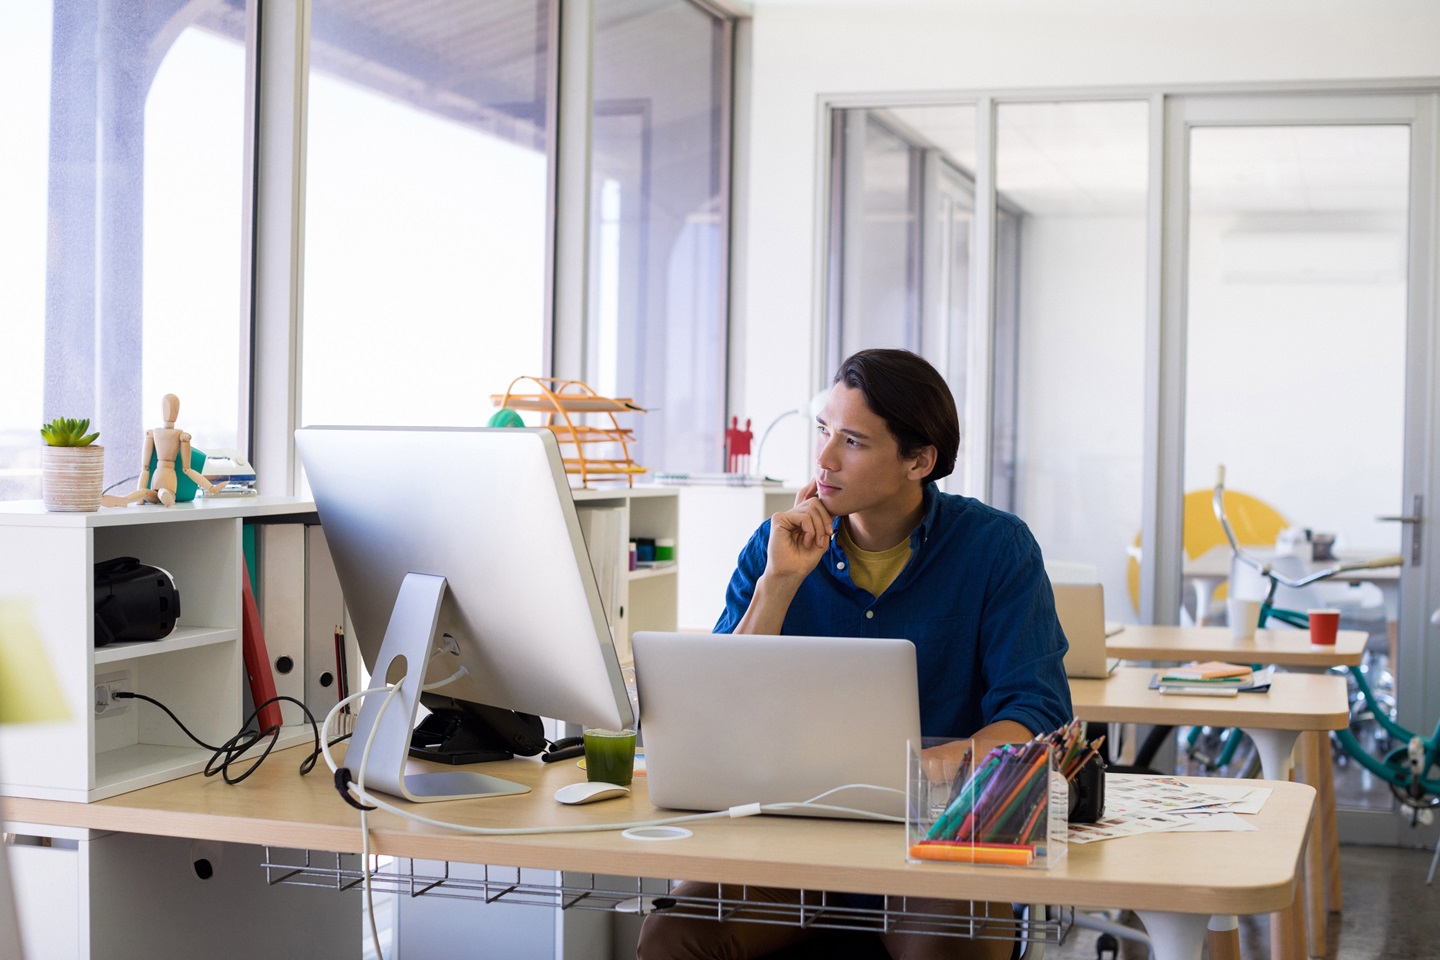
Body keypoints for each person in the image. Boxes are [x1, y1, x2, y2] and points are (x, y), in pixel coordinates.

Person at [636, 348, 1073, 960]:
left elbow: (1035, 715)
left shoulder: (997, 548)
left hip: (935, 841)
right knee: (674, 934)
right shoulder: (775, 544)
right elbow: (718, 705)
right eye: (823, 430)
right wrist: (779, 584)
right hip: (793, 845)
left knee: (943, 947)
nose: (823, 458)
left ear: (919, 461)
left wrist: (912, 773)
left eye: (853, 441)